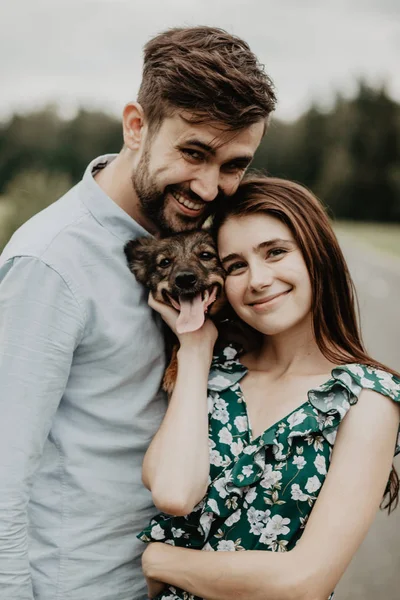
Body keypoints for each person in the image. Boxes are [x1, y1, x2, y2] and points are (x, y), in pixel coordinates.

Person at [0, 28, 276, 600]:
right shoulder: (51, 262)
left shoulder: (205, 243)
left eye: (233, 165)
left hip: (176, 581)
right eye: (194, 152)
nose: (209, 185)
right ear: (136, 127)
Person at [138, 176, 400, 600]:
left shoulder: (366, 400)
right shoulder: (216, 370)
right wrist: (197, 347)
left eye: (275, 252)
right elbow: (172, 491)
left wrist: (162, 561)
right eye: (236, 265)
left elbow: (303, 582)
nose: (257, 280)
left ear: (318, 255)